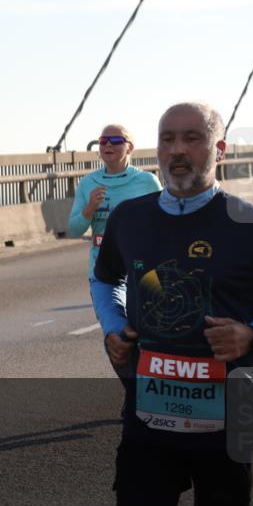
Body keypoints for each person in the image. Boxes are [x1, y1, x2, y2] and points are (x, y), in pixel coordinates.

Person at [93, 102, 253, 506]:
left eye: (192, 138)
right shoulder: (130, 218)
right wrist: (112, 326)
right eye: (167, 139)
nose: (177, 150)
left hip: (229, 418)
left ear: (219, 149)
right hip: (149, 415)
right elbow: (104, 278)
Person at [68, 124, 161, 354]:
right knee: (117, 334)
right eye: (103, 141)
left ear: (130, 148)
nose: (108, 144)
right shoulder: (88, 183)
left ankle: (144, 382)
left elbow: (164, 225)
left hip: (143, 270)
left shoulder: (147, 182)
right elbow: (73, 229)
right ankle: (132, 385)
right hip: (103, 270)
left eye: (116, 140)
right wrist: (90, 208)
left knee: (155, 330)